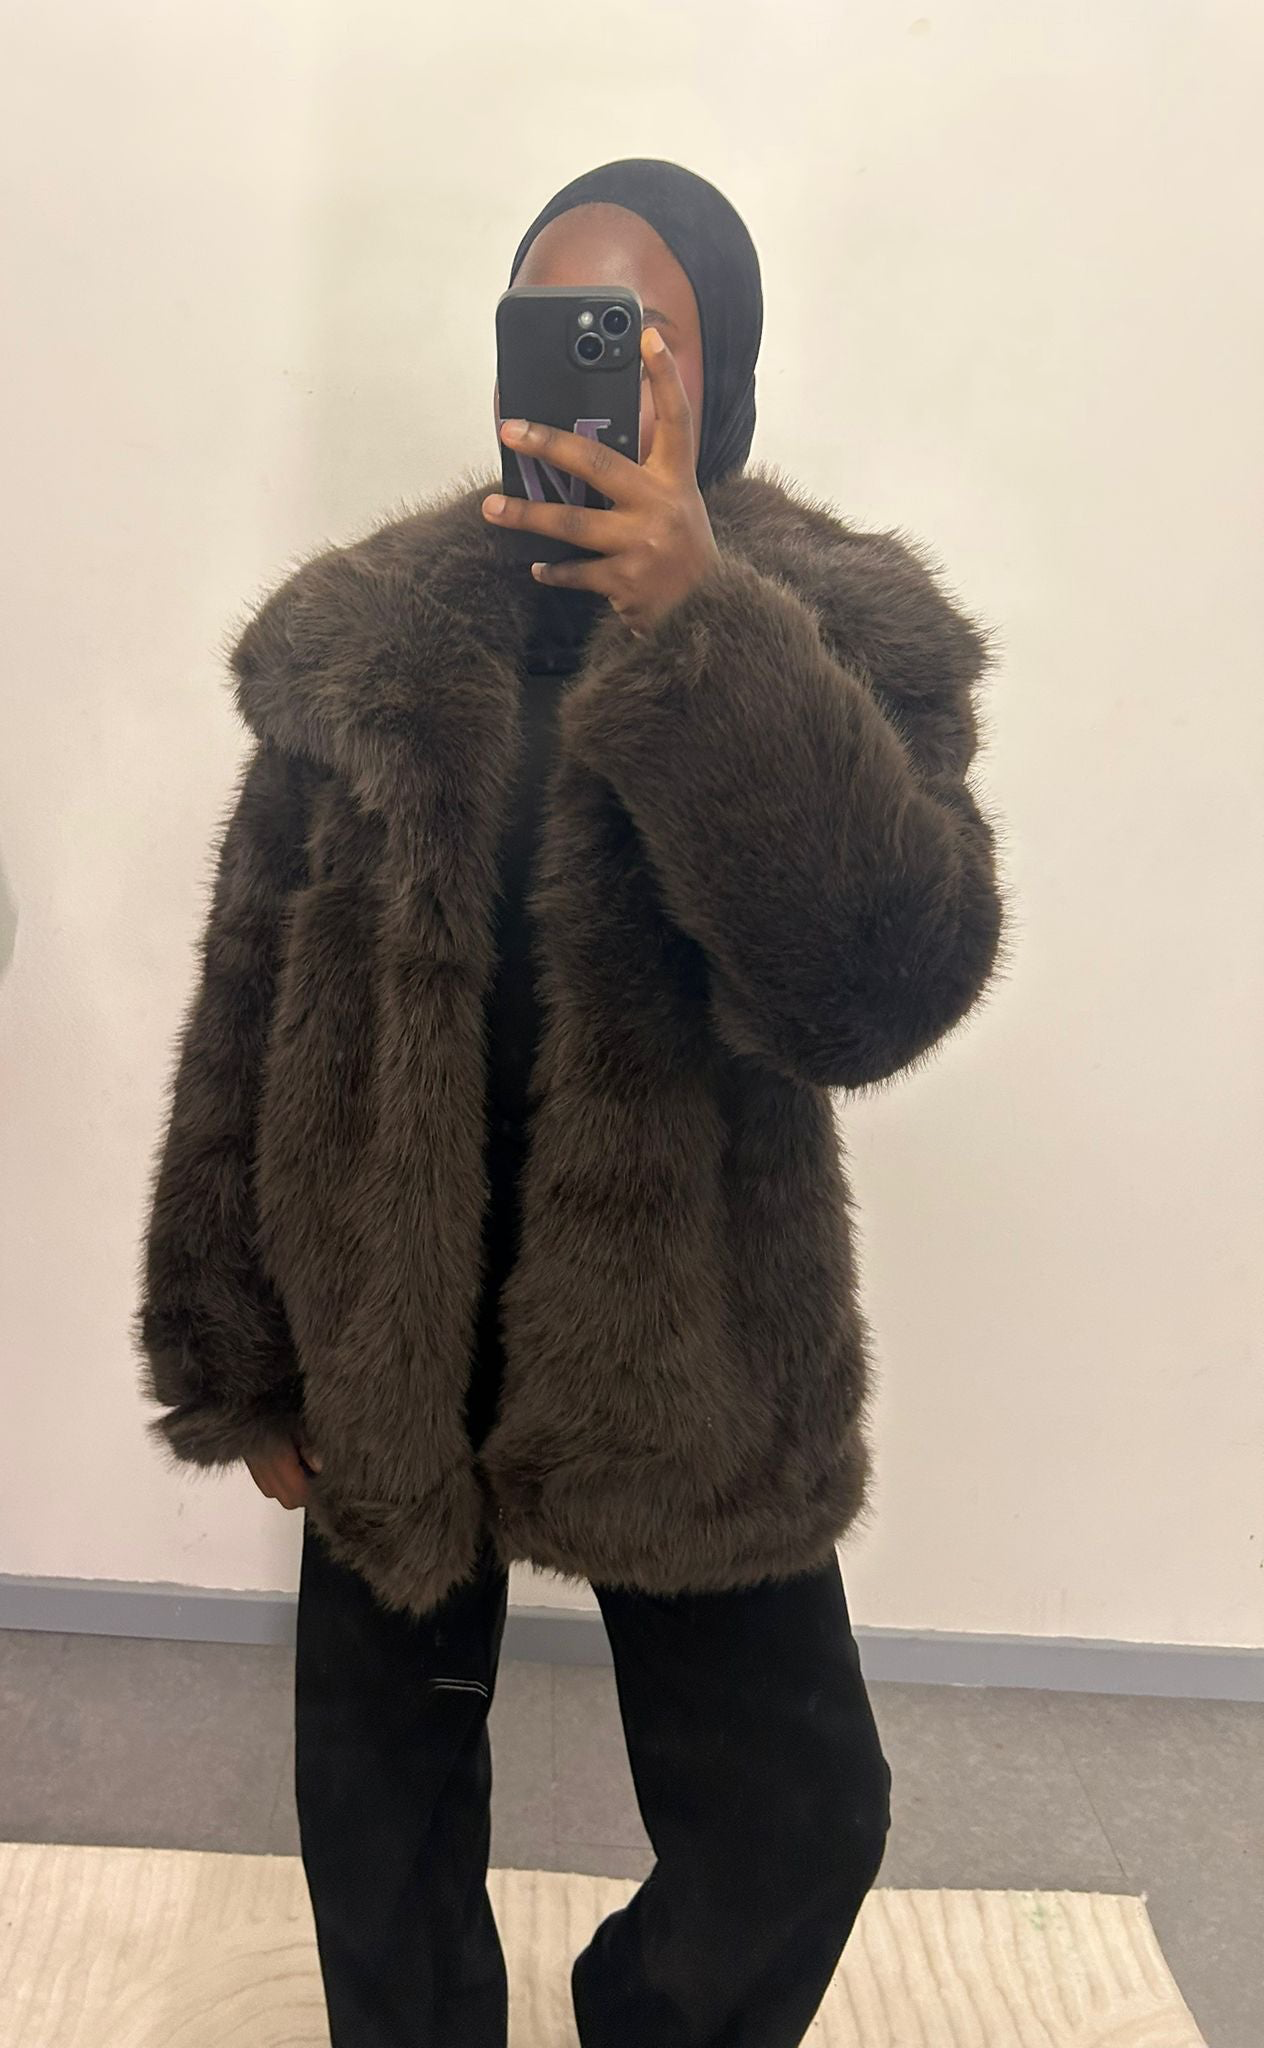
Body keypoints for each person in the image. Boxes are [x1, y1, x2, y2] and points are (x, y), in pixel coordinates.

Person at [137, 158, 1005, 2047]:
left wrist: (704, 632)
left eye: (641, 342)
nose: (587, 385)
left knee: (800, 1819)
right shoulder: (361, 639)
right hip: (390, 1319)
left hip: (687, 1343)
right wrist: (233, 1355)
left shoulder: (839, 635)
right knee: (378, 1834)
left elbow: (880, 985)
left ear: (720, 373)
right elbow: (248, 995)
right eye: (549, 332)